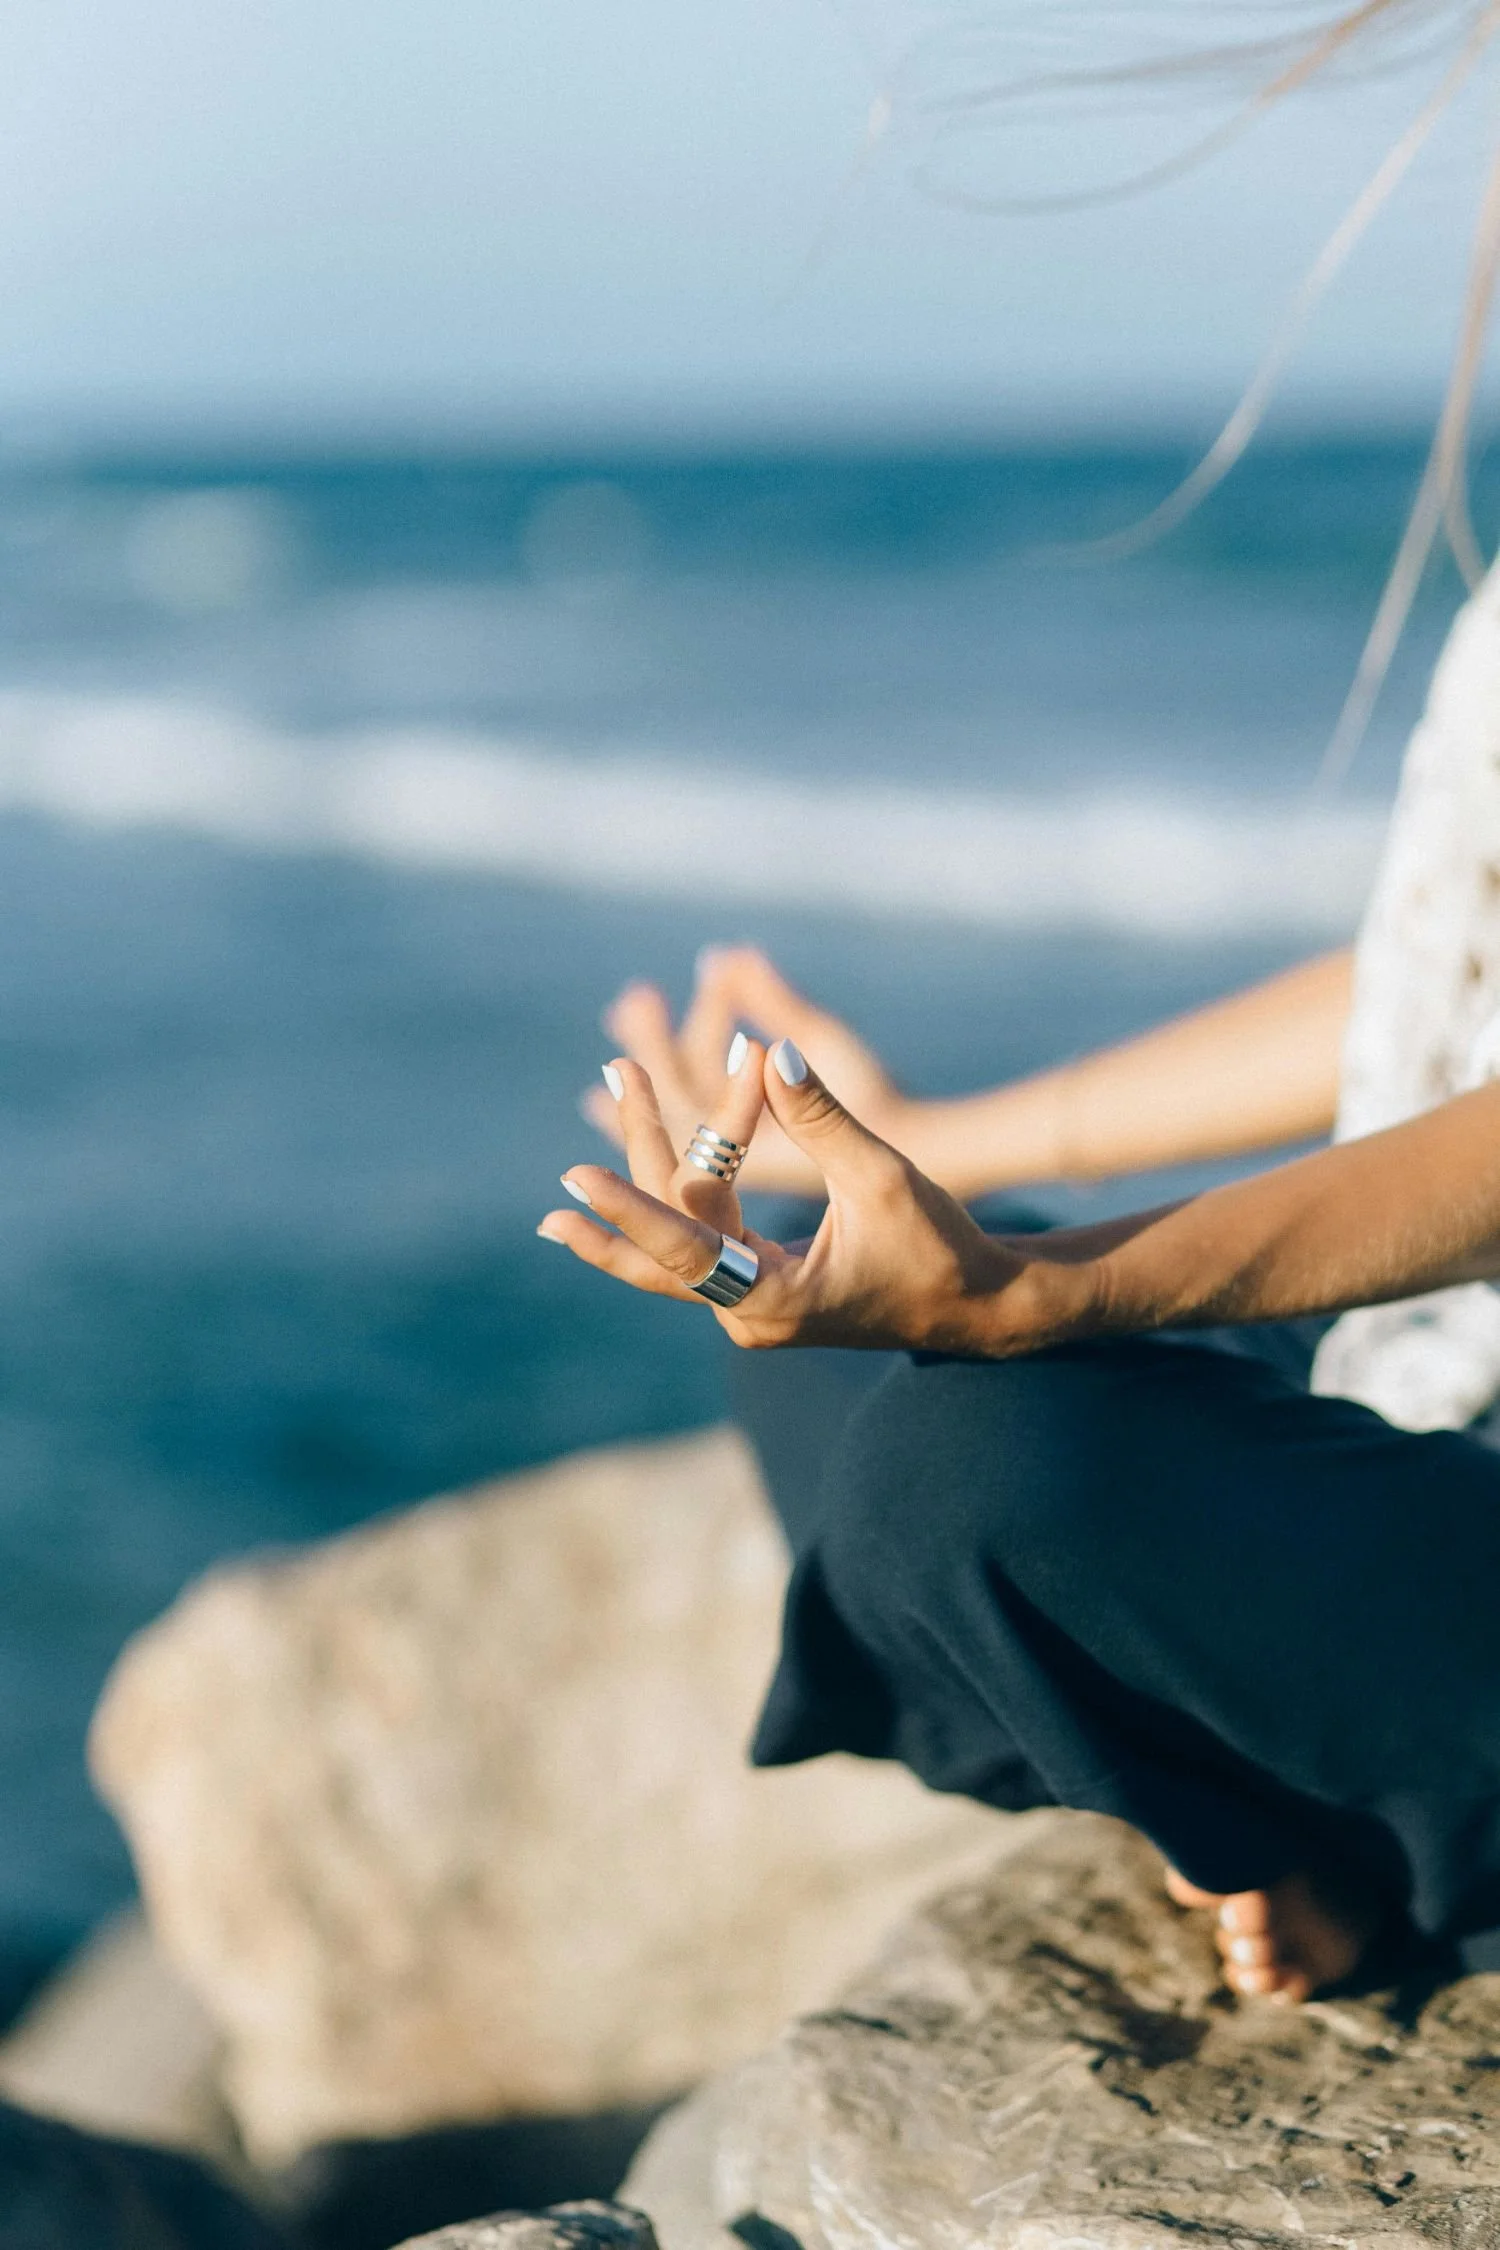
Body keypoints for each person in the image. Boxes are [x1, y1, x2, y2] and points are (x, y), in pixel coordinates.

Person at [538, 11, 1500, 2011]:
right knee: (811, 1339)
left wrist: (1047, 1292)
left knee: (977, 1482)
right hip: (1442, 1394)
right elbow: (1444, 972)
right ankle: (1302, 1804)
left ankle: (1335, 1817)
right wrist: (963, 1152)